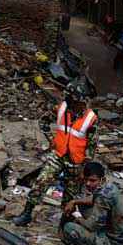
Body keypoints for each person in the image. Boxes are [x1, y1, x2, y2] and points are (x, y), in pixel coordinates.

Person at [12, 90, 98, 228]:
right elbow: (43, 122)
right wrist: (52, 140)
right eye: (73, 104)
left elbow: (92, 145)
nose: (74, 107)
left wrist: (84, 167)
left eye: (78, 104)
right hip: (58, 155)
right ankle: (26, 214)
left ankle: (65, 225)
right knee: (41, 181)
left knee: (70, 195)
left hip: (76, 162)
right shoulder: (62, 108)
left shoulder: (91, 118)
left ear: (83, 102)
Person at [62, 161, 123, 245]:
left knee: (69, 228)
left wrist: (76, 217)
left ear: (102, 179)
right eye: (86, 180)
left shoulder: (104, 196)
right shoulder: (109, 186)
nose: (88, 183)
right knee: (82, 204)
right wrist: (74, 201)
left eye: (92, 180)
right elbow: (92, 199)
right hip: (119, 235)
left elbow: (91, 226)